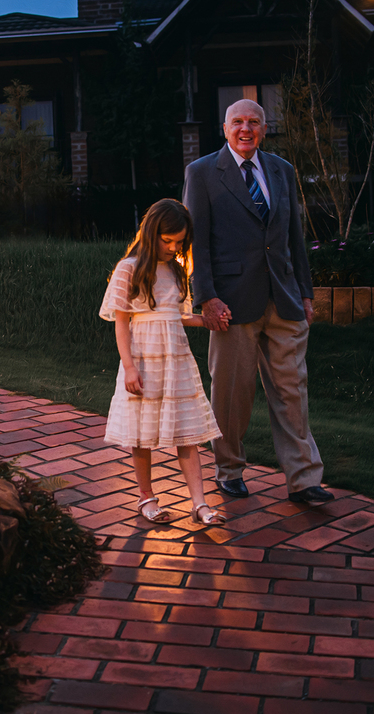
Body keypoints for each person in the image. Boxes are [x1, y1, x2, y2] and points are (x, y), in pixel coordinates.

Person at [183, 99, 332, 504]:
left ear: (265, 129)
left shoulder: (282, 170)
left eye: (254, 122)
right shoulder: (201, 173)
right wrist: (207, 298)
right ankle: (229, 469)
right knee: (232, 395)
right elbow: (196, 243)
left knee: (292, 393)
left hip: (283, 300)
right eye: (238, 122)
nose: (245, 128)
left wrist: (305, 291)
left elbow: (294, 237)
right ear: (224, 127)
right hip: (230, 305)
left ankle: (304, 479)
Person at [100, 199, 226, 526]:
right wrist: (128, 366)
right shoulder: (129, 269)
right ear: (151, 233)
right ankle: (146, 497)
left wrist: (207, 320)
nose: (173, 248)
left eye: (179, 242)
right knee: (142, 433)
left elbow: (176, 316)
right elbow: (122, 323)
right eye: (166, 241)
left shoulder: (175, 269)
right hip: (142, 357)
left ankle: (199, 504)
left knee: (187, 432)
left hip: (176, 359)